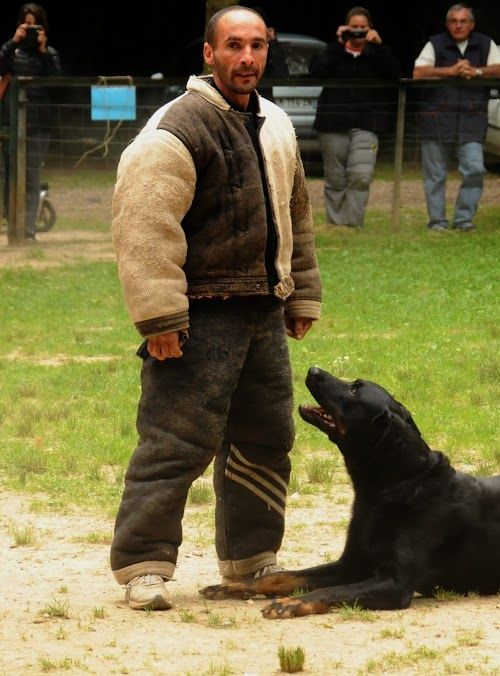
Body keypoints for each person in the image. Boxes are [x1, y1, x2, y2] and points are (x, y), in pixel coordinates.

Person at [109, 6, 322, 611]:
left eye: (257, 46)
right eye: (234, 45)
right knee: (175, 441)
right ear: (209, 53)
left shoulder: (276, 124)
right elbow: (144, 229)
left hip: (262, 310)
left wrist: (301, 290)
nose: (247, 57)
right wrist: (160, 320)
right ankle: (143, 565)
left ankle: (252, 561)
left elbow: (296, 215)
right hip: (197, 316)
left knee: (266, 437)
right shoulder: (176, 129)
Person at [413, 4, 500, 232]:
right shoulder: (434, 44)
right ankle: (437, 222)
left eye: (463, 21)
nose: (458, 25)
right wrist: (451, 72)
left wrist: (477, 72)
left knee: (474, 169)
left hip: (472, 120)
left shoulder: (485, 43)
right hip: (435, 120)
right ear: (447, 24)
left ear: (471, 24)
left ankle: (464, 219)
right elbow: (418, 72)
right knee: (435, 176)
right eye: (454, 21)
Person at [309, 6, 400, 228]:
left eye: (363, 28)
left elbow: (395, 74)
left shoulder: (376, 54)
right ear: (345, 28)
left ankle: (353, 224)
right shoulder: (334, 52)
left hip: (367, 125)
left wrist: (379, 47)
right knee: (335, 178)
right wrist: (338, 45)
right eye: (354, 27)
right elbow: (316, 71)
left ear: (370, 29)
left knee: (361, 176)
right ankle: (336, 223)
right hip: (332, 124)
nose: (358, 32)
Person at [0, 3, 61, 240]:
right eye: (26, 24)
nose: (31, 30)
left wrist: (44, 50)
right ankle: (12, 224)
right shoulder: (11, 51)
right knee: (10, 174)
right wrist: (13, 42)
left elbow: (56, 84)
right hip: (12, 122)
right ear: (19, 25)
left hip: (39, 124)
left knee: (32, 176)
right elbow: (1, 66)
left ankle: (28, 228)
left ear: (43, 27)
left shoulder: (49, 54)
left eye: (35, 25)